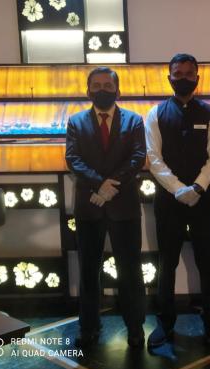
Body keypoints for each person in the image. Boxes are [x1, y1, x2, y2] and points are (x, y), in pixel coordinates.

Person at [145, 53, 210, 348]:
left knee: (208, 264)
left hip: (203, 201)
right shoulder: (155, 114)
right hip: (168, 202)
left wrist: (198, 187)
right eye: (177, 73)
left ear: (197, 77)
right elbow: (153, 159)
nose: (183, 78)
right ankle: (164, 324)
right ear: (169, 77)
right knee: (166, 265)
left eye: (188, 73)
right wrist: (179, 189)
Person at [65, 67, 147, 349]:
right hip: (90, 206)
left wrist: (113, 185)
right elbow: (73, 159)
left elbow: (138, 157)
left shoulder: (134, 121)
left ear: (118, 90)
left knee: (131, 270)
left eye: (107, 85)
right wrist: (100, 185)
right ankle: (88, 326)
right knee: (88, 271)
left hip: (124, 207)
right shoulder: (76, 122)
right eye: (96, 85)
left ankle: (135, 327)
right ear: (88, 91)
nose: (102, 90)